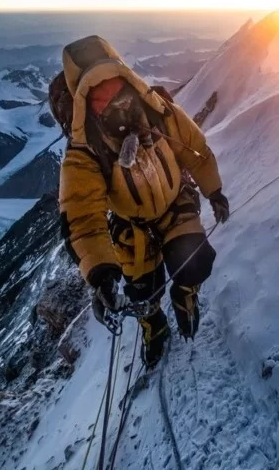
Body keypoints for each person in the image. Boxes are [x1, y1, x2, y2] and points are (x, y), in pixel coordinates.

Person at [50, 35, 229, 368]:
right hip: (133, 227)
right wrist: (101, 274)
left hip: (175, 204)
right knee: (143, 292)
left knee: (197, 260)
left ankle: (185, 294)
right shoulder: (86, 151)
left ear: (126, 78)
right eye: (98, 95)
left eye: (114, 85)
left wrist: (213, 190)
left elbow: (195, 150)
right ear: (84, 102)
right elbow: (82, 215)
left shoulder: (159, 113)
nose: (112, 98)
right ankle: (153, 324)